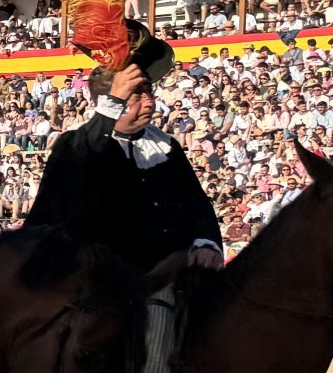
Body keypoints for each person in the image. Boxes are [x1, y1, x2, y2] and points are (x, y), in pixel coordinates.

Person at [24, 27, 224, 269]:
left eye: (149, 92)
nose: (149, 103)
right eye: (136, 95)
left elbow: (196, 203)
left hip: (168, 270)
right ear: (108, 101)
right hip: (100, 275)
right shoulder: (75, 143)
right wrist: (113, 101)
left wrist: (207, 242)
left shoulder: (166, 145)